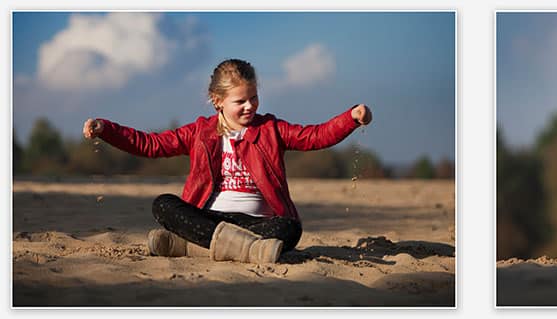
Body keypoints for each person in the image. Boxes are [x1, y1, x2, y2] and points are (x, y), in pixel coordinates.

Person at [82, 59, 372, 264]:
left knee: (290, 229)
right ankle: (245, 251)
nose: (250, 106)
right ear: (217, 100)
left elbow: (315, 136)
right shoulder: (199, 132)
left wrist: (350, 118)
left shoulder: (270, 129)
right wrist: (107, 129)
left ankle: (193, 247)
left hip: (256, 224)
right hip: (209, 217)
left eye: (254, 98)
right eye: (241, 101)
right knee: (163, 204)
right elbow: (151, 144)